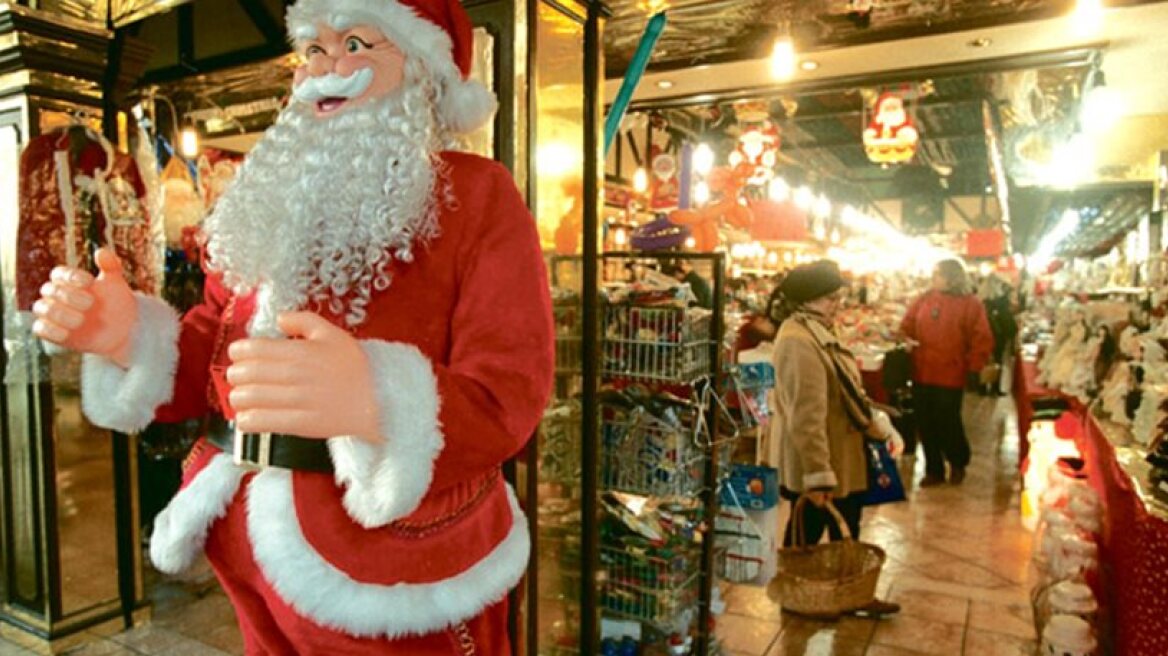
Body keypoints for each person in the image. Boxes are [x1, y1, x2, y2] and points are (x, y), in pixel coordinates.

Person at [30, 0, 553, 652]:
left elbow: (510, 391)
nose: (328, 67)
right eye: (313, 49)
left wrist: (377, 399)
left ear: (424, 72)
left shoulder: (477, 195)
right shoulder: (270, 200)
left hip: (393, 571)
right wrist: (131, 335)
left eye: (358, 43)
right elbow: (213, 347)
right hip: (243, 539)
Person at [768, 259, 904, 619]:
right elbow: (805, 416)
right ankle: (798, 596)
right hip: (820, 458)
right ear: (806, 300)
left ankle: (852, 592)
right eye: (830, 298)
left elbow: (844, 392)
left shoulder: (817, 330)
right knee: (805, 536)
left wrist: (876, 421)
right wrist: (817, 474)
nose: (837, 304)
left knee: (847, 529)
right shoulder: (798, 340)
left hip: (840, 453)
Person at [900, 258, 993, 487]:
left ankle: (958, 461)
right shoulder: (924, 299)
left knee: (948, 420)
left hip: (951, 372)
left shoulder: (971, 304)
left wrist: (974, 366)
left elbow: (982, 337)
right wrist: (904, 338)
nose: (933, 278)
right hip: (922, 370)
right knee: (925, 422)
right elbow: (907, 324)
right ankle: (934, 469)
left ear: (951, 277)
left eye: (937, 274)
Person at [979, 274, 1018, 396]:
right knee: (998, 359)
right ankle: (995, 388)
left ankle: (983, 387)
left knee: (985, 360)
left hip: (986, 334)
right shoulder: (1001, 301)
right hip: (998, 333)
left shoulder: (983, 302)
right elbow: (1007, 317)